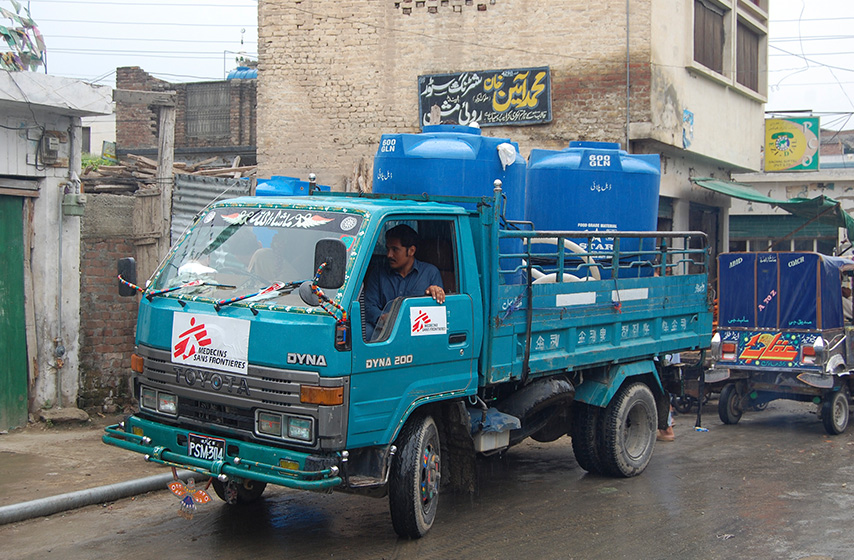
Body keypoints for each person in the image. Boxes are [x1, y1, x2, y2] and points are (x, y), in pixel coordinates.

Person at [363, 224, 445, 340]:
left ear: (411, 251)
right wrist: (383, 318)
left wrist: (435, 293)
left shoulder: (430, 273)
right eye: (388, 249)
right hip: (385, 332)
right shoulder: (378, 273)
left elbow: (437, 313)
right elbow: (369, 306)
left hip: (417, 335)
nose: (389, 255)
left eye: (395, 249)